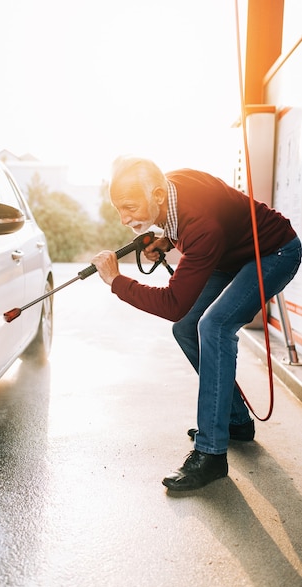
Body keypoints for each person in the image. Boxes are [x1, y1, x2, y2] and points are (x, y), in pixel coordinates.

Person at [92, 156, 301, 492]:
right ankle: (236, 422)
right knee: (186, 328)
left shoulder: (202, 226)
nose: (123, 218)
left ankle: (211, 455)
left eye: (129, 207)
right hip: (230, 251)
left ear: (158, 195)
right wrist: (167, 240)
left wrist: (117, 281)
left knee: (214, 326)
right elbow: (194, 224)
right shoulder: (171, 187)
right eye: (118, 208)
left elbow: (174, 303)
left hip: (273, 252)